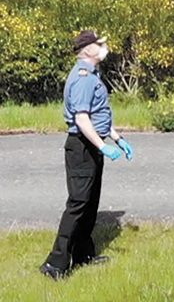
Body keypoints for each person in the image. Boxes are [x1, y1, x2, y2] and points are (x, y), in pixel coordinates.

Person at [40, 30, 134, 280]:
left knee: (90, 203)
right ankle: (55, 263)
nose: (104, 45)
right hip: (82, 146)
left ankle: (83, 254)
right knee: (78, 204)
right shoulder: (83, 77)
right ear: (86, 50)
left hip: (92, 144)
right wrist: (101, 147)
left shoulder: (93, 74)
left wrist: (116, 138)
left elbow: (97, 114)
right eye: (99, 43)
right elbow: (82, 119)